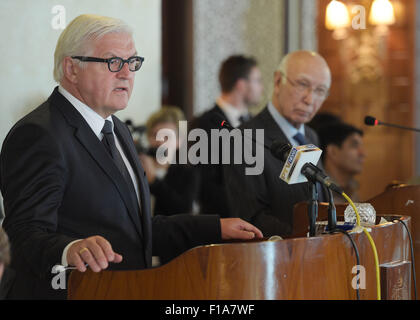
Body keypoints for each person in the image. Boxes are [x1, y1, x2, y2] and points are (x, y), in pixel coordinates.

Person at [0, 14, 262, 299]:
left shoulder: (118, 130)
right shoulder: (40, 134)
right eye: (113, 62)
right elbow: (22, 235)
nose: (126, 73)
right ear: (71, 69)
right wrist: (69, 250)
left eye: (133, 62)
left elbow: (135, 232)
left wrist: (215, 227)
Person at [224, 50, 331, 237]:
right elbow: (252, 218)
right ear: (278, 81)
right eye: (302, 85)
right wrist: (305, 242)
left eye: (320, 91)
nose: (310, 99)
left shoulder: (311, 137)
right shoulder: (244, 139)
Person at [193, 55, 264, 217]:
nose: (261, 88)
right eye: (257, 81)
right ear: (241, 85)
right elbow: (206, 185)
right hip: (222, 222)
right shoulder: (204, 124)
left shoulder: (256, 122)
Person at [139, 106, 198, 216]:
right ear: (148, 137)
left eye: (167, 136)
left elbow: (183, 209)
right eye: (155, 135)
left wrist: (153, 181)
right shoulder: (136, 166)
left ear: (179, 141)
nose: (160, 142)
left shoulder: (188, 173)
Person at [317, 122, 366, 203]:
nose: (363, 154)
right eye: (354, 145)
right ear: (333, 151)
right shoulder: (318, 190)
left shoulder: (352, 188)